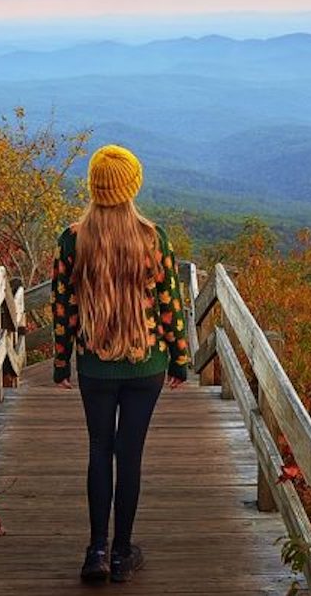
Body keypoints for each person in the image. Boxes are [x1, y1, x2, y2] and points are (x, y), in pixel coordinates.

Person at [51, 144, 190, 584]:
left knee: (99, 451)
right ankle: (123, 553)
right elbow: (170, 303)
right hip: (145, 362)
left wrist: (61, 364)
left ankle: (95, 550)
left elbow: (63, 307)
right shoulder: (153, 237)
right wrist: (179, 358)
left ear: (94, 187)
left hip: (95, 364)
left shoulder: (72, 239)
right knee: (130, 456)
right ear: (131, 186)